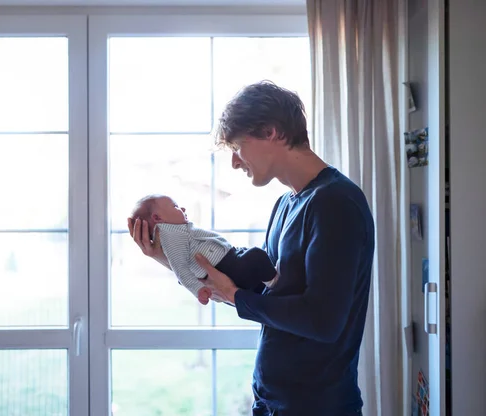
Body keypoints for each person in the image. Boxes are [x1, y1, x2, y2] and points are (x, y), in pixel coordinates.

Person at [127, 80, 374, 416]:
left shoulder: (336, 203)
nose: (234, 163)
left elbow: (323, 321)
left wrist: (236, 298)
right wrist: (166, 257)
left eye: (237, 147)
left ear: (271, 132)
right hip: (272, 403)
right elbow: (258, 294)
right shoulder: (286, 205)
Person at [130, 194, 278, 304]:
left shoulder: (176, 232)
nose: (182, 208)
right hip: (227, 266)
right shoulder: (171, 236)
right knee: (256, 256)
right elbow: (180, 268)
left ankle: (271, 284)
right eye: (175, 206)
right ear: (157, 218)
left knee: (256, 260)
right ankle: (277, 283)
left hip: (229, 261)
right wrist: (198, 290)